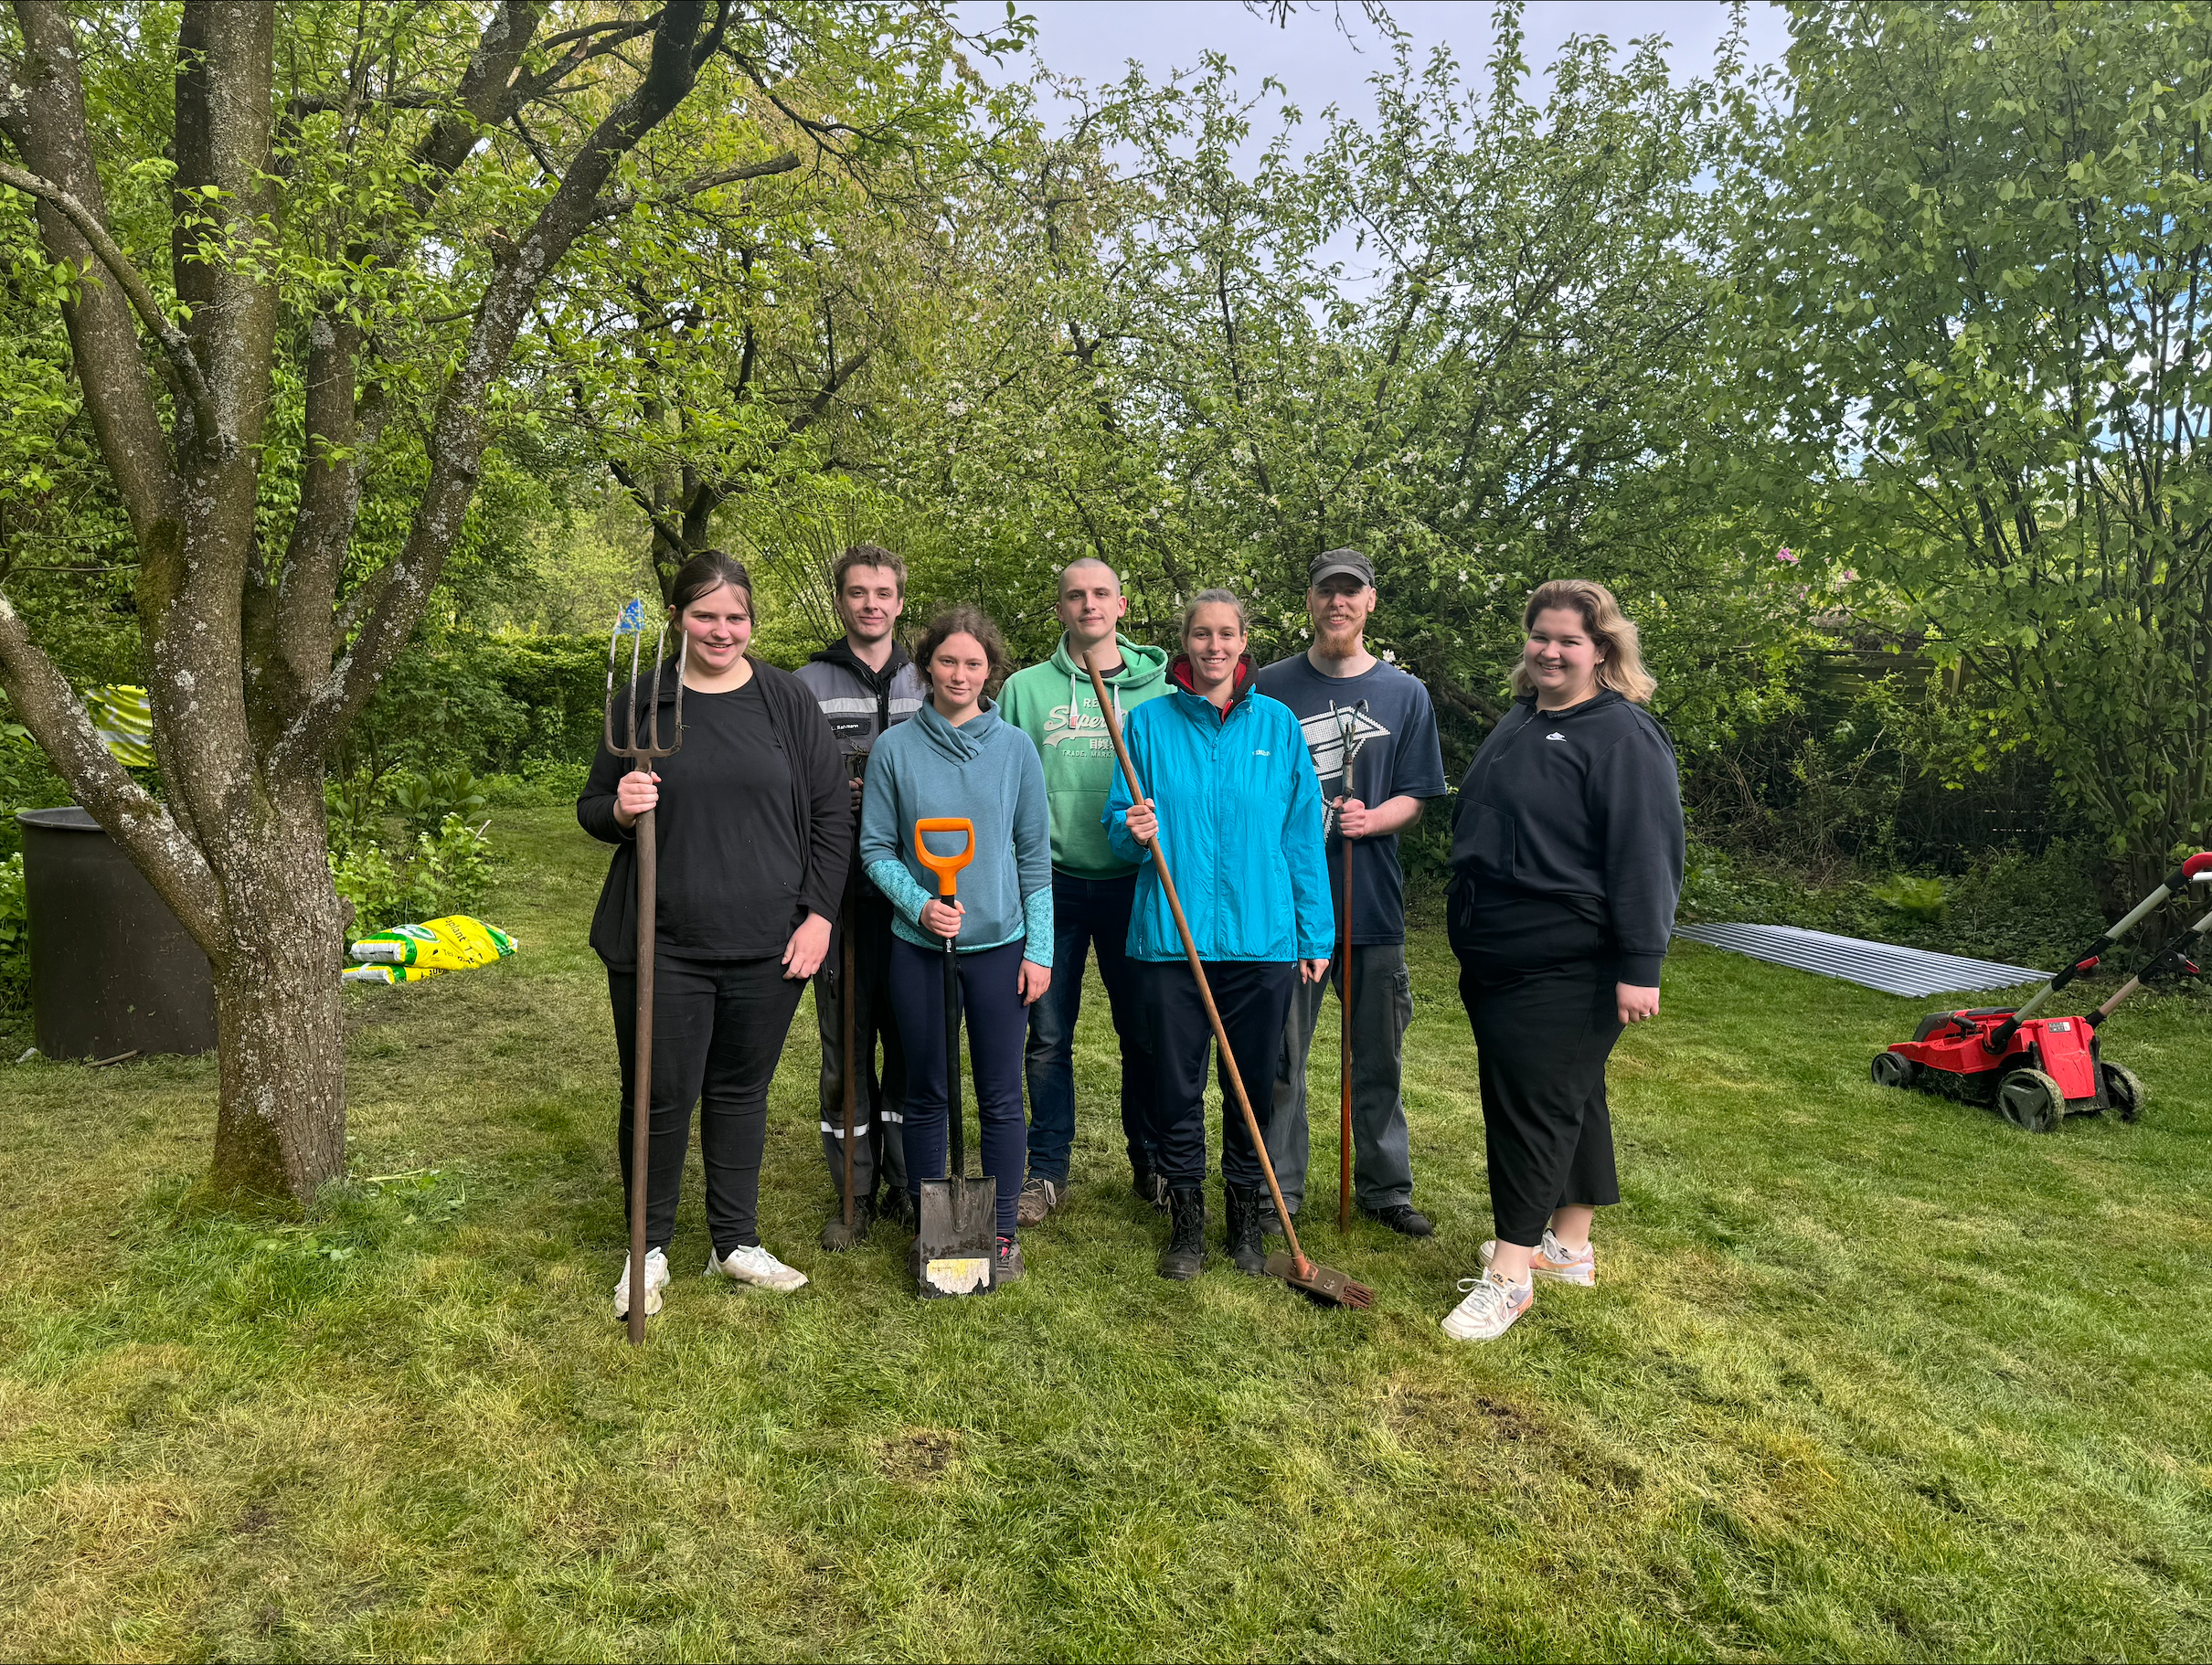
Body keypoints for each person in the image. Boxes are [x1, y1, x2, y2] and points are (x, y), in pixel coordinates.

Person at [579, 550, 850, 1318]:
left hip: (770, 941)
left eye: (735, 616)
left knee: (740, 1093)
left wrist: (820, 915)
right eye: (704, 615)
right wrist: (624, 809)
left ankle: (733, 1241)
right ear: (677, 619)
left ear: (751, 623)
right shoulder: (643, 701)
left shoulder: (785, 701)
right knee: (659, 1095)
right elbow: (593, 808)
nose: (721, 630)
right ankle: (648, 1248)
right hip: (659, 940)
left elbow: (831, 815)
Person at [1438, 578, 1684, 1342]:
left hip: (1566, 962)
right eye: (1540, 636)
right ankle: (1568, 1246)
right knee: (1570, 1095)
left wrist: (1640, 964)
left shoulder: (1622, 736)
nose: (1550, 651)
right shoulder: (1522, 717)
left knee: (1531, 1109)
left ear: (1603, 650)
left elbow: (1647, 856)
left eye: (1569, 640)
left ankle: (1509, 1276)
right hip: (1498, 955)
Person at [1103, 589, 1334, 1281]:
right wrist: (1132, 830)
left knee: (1252, 1088)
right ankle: (1187, 1225)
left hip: (1260, 942)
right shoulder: (1144, 726)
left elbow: (1300, 836)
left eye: (1226, 634)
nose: (1214, 646)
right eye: (1201, 634)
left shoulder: (1279, 725)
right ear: (1186, 643)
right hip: (1173, 944)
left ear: (1242, 643)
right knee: (1175, 1087)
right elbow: (1118, 830)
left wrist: (1313, 932)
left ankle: (1245, 1222)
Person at [859, 606, 1053, 1286]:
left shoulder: (1016, 750)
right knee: (929, 1092)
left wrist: (1041, 950)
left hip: (1001, 946)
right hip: (919, 949)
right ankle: (932, 1224)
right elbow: (876, 849)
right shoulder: (896, 750)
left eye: (974, 663)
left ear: (990, 670)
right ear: (927, 668)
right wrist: (920, 903)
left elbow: (1034, 856)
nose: (961, 674)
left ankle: (998, 1233)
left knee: (1002, 1093)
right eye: (948, 662)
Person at [1258, 548, 1449, 1239]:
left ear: (1370, 603)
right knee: (1284, 1056)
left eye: (1351, 592)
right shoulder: (1270, 686)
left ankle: (1385, 1187)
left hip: (1371, 905)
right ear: (1309, 602)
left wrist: (1373, 819)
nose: (1337, 603)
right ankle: (1281, 1190)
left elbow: (1417, 795)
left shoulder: (1406, 694)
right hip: (1288, 908)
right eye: (1325, 592)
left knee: (1379, 1055)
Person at [998, 557, 1171, 1223]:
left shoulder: (1157, 694)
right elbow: (1008, 781)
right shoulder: (1026, 690)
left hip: (1137, 884)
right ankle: (1046, 1171)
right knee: (1046, 1035)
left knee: (1144, 1033)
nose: (1089, 605)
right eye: (1076, 595)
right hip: (1052, 884)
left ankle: (1151, 1162)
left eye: (1101, 594)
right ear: (1061, 607)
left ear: (1121, 606)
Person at [794, 545, 927, 1249]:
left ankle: (910, 1184)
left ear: (900, 601)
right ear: (841, 599)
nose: (871, 603)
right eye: (857, 592)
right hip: (839, 893)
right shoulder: (801, 685)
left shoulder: (930, 676)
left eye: (883, 592)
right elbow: (784, 784)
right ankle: (854, 1190)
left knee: (911, 1040)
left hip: (915, 892)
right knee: (846, 1045)